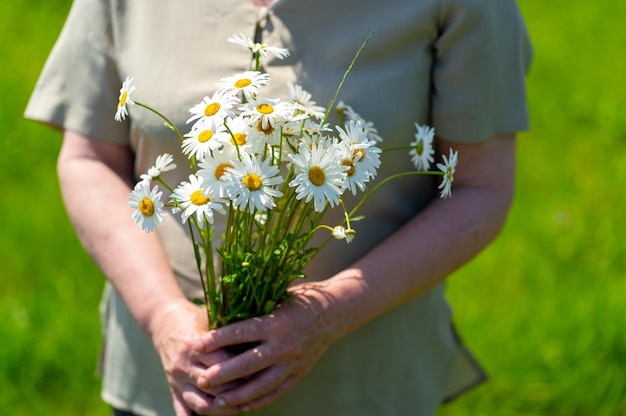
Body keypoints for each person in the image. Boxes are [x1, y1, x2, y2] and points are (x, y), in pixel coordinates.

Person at [25, 0, 532, 415]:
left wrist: (330, 312)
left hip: (362, 386)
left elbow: (476, 185)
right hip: (167, 383)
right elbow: (90, 157)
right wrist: (162, 316)